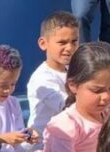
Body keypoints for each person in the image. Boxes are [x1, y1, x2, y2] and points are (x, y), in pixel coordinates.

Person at [26, 11, 79, 139]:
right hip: (41, 146)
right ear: (43, 44)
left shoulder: (73, 71)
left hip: (66, 139)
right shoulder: (42, 78)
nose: (69, 48)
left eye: (74, 41)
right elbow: (67, 106)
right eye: (62, 42)